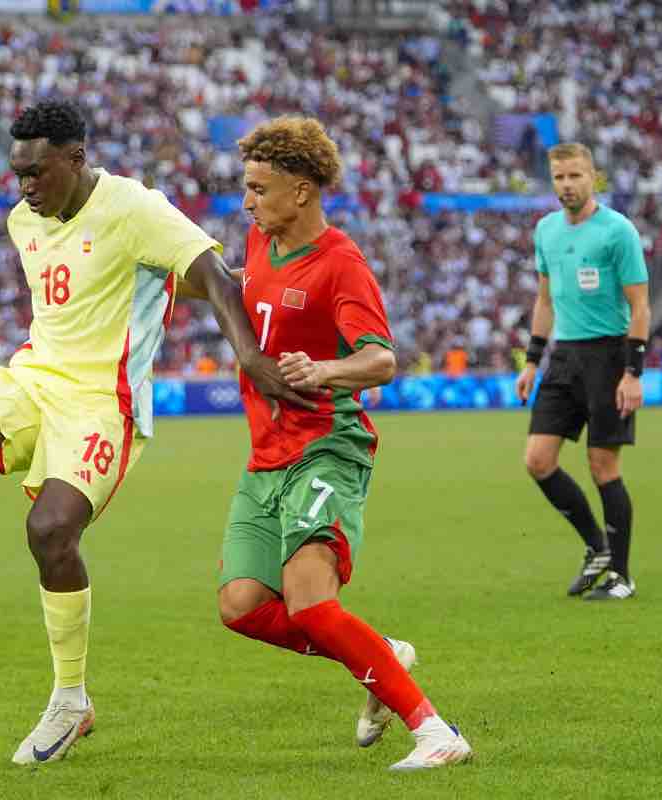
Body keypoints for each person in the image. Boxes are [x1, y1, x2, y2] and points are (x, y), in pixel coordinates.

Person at [0, 100, 303, 764]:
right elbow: (114, 277)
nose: (25, 187)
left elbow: (210, 275)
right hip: (34, 378)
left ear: (76, 159)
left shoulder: (135, 207)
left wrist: (250, 353)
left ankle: (71, 700)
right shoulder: (25, 219)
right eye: (18, 173)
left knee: (49, 531)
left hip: (104, 404)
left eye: (36, 172)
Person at [198, 117, 472, 770]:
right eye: (246, 187)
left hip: (326, 444)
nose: (247, 201)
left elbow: (382, 360)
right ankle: (379, 652)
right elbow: (239, 286)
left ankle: (436, 733)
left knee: (311, 601)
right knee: (241, 606)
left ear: (301, 191)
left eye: (259, 189)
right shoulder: (261, 242)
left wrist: (323, 370)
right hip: (266, 456)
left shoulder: (341, 264)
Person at [516, 142, 650, 601]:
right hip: (564, 356)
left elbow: (640, 305)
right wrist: (532, 361)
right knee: (537, 460)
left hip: (610, 356)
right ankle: (597, 546)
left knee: (602, 465)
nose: (567, 185)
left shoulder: (617, 231)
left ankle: (621, 576)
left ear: (594, 177)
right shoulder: (546, 230)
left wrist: (633, 372)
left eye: (575, 176)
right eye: (559, 177)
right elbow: (544, 299)